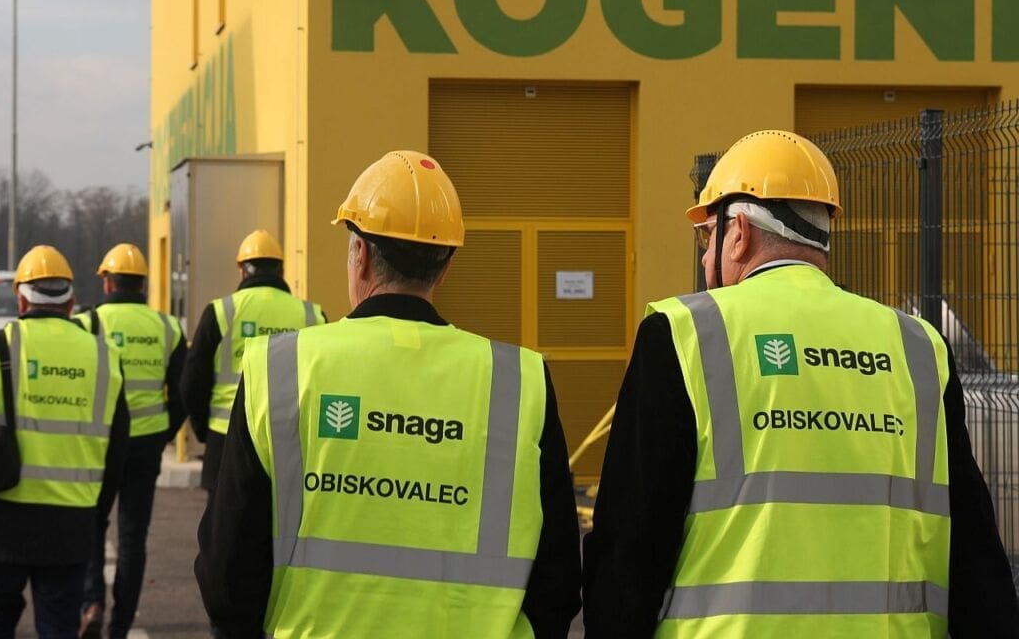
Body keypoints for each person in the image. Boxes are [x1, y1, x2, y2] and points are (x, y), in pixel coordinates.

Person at [581, 130, 1019, 637]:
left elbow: (630, 550)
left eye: (706, 237)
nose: (704, 258)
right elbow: (974, 557)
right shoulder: (917, 347)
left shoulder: (684, 335)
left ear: (738, 232)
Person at [194, 150, 583, 638]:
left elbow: (228, 576)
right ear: (445, 267)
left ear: (359, 254)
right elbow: (559, 580)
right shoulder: (520, 381)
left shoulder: (280, 369)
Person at [0, 245, 129, 639]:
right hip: (72, 520)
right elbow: (117, 447)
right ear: (71, 302)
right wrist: (98, 513)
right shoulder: (105, 356)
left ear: (21, 299)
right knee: (60, 626)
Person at [76, 243, 185, 639]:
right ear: (143, 285)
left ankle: (92, 603)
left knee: (91, 525)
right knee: (133, 538)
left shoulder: (88, 324)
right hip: (145, 444)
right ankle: (120, 625)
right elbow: (182, 393)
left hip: (101, 444)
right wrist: (162, 435)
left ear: (107, 282)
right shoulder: (167, 327)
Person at [182, 229, 325, 492]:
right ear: (281, 271)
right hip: (289, 441)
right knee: (284, 517)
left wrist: (205, 430)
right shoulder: (311, 315)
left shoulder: (221, 312)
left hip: (226, 437)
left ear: (242, 272)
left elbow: (192, 380)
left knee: (226, 518)